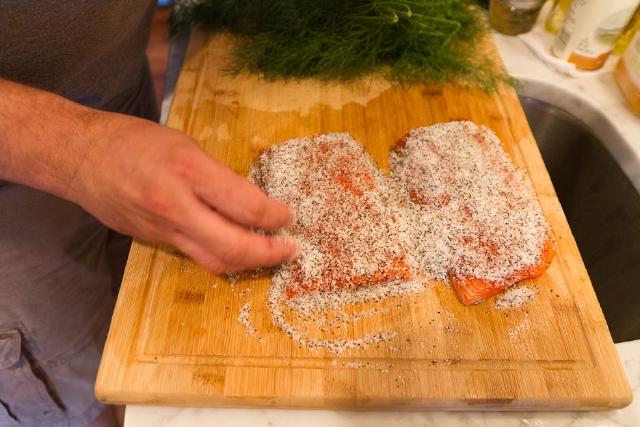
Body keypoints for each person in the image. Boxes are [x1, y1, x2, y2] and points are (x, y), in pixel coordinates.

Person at [0, 3, 297, 427]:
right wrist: (77, 149)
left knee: (143, 314)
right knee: (80, 393)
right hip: (14, 203)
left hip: (118, 89)